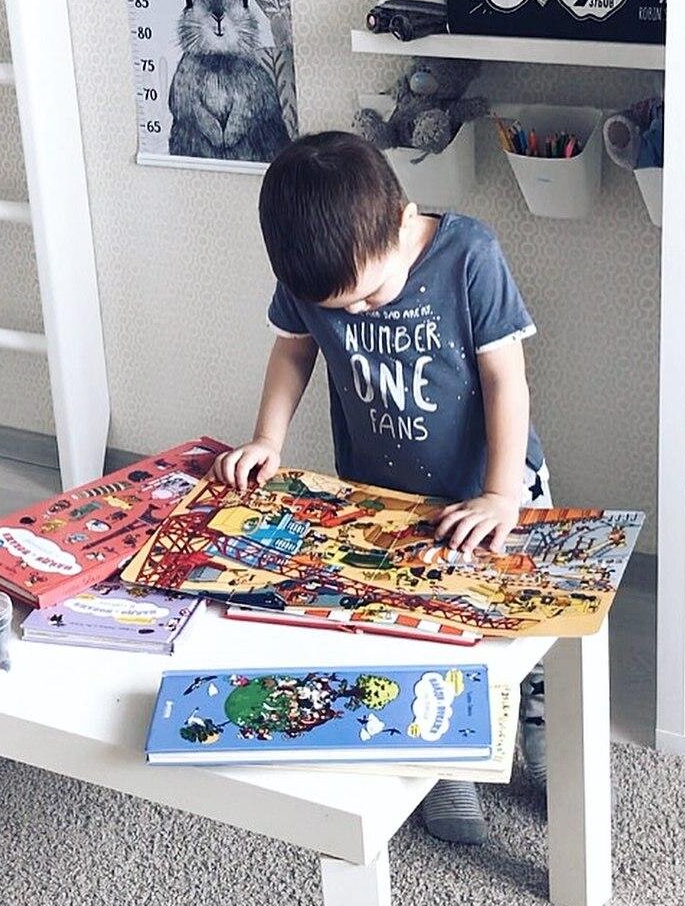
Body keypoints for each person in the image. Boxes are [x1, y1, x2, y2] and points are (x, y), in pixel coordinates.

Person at [213, 130, 549, 844]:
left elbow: (505, 380)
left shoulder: (469, 255)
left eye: (369, 295)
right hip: (385, 502)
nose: (358, 314)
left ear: (403, 222)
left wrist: (500, 494)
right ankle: (446, 761)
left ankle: (541, 729)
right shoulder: (317, 270)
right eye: (340, 307)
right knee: (416, 631)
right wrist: (267, 440)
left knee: (518, 633)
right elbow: (293, 351)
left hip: (493, 487)